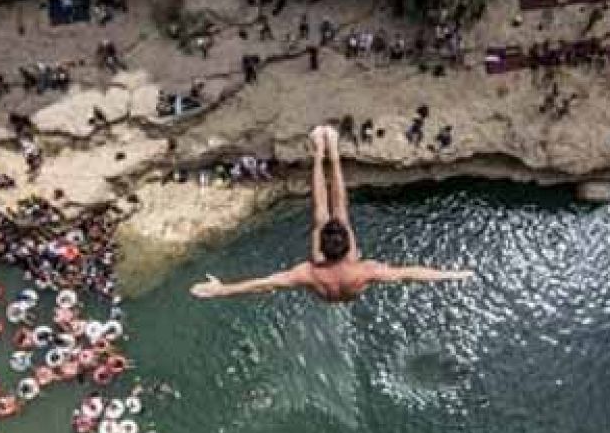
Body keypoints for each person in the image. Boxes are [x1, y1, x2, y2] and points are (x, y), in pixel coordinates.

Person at [191, 126, 473, 303]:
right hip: (350, 287)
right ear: (349, 248)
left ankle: (320, 150)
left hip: (324, 288)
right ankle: (332, 150)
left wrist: (222, 289)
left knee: (322, 215)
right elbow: (410, 274)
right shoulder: (364, 270)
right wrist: (452, 274)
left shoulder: (308, 272)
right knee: (339, 215)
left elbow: (264, 284)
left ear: (322, 251)